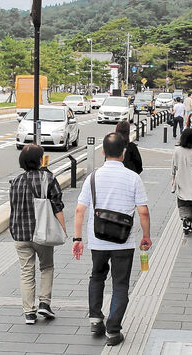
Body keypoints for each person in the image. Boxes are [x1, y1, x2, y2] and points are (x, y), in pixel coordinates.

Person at [73, 132, 152, 347]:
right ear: (124, 152)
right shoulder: (133, 178)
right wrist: (146, 236)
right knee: (120, 285)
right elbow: (143, 211)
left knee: (96, 277)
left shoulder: (93, 178)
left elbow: (80, 210)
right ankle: (113, 331)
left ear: (103, 152)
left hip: (97, 241)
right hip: (124, 242)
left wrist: (77, 238)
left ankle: (96, 320)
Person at [9, 144, 67, 325]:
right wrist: (63, 229)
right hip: (42, 232)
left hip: (20, 233)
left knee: (26, 272)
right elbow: (57, 206)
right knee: (46, 266)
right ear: (39, 160)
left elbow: (13, 208)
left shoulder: (16, 182)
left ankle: (29, 312)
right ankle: (44, 303)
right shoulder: (47, 179)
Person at [171, 128, 192, 236]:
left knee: (182, 201)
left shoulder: (177, 151)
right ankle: (189, 219)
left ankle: (185, 218)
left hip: (181, 179)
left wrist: (173, 179)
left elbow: (174, 166)